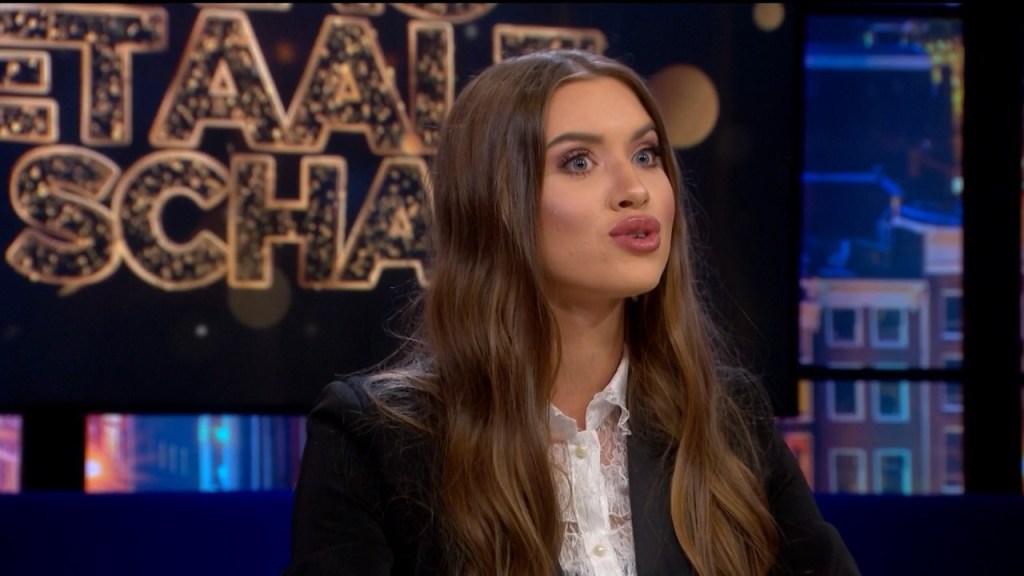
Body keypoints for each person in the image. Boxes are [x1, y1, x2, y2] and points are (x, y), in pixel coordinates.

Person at [285, 48, 859, 576]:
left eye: (645, 154)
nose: (634, 188)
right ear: (496, 201)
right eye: (579, 161)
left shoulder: (728, 418)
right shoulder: (375, 440)